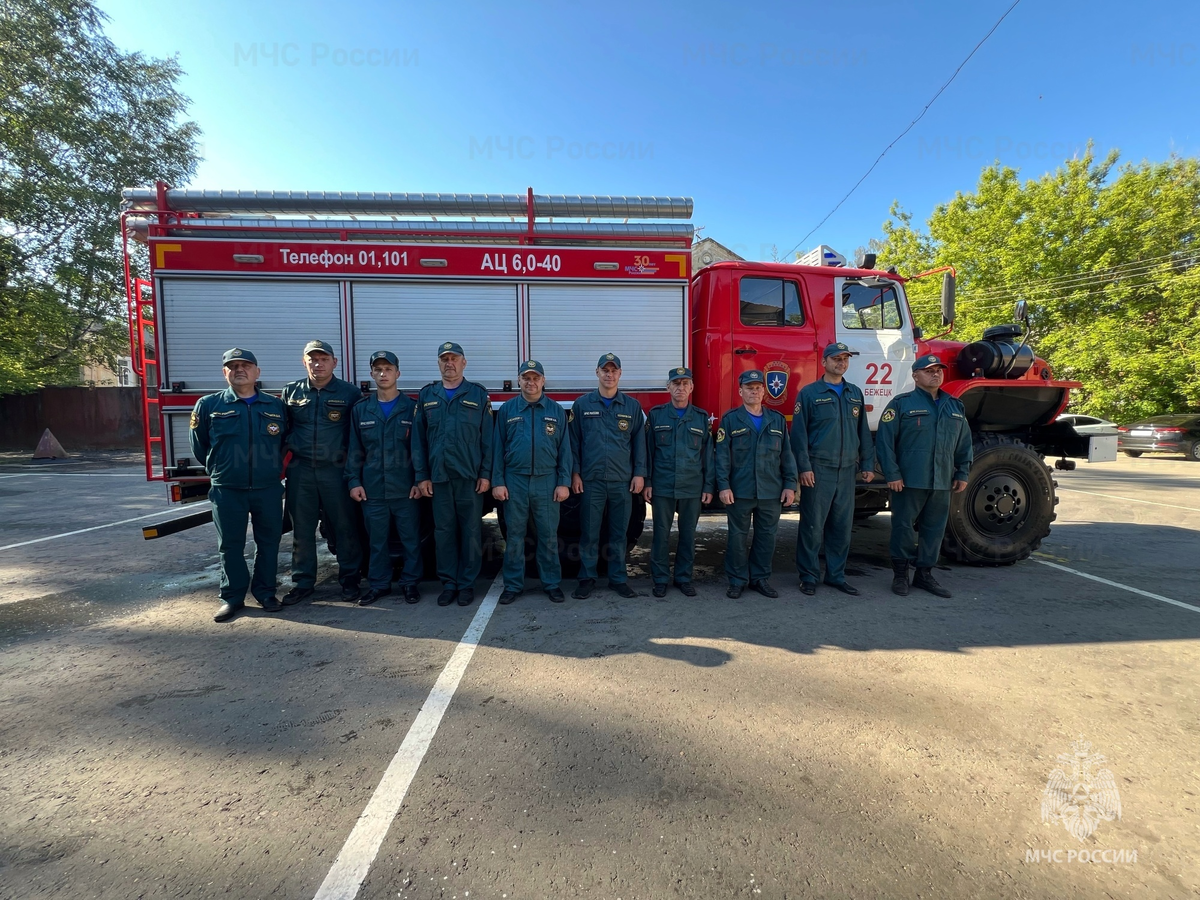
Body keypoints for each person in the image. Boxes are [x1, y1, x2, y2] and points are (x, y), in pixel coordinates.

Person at [189, 348, 289, 622]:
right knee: (230, 545)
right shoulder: (209, 405)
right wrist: (223, 468)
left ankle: (266, 592)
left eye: (245, 365)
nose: (239, 370)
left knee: (269, 542)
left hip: (267, 488)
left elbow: (283, 443)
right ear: (225, 373)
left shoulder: (275, 406)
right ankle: (232, 598)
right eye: (232, 366)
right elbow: (200, 446)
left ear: (257, 372)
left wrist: (268, 468)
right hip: (227, 489)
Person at [875, 354, 973, 598]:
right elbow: (885, 443)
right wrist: (892, 474)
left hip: (942, 481)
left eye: (938, 370)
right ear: (915, 375)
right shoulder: (901, 404)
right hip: (909, 481)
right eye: (929, 371)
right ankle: (900, 575)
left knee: (934, 529)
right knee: (903, 528)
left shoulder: (954, 405)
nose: (935, 374)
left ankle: (924, 575)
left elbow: (964, 443)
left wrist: (962, 471)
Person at [281, 339, 364, 604]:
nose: (318, 364)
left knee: (345, 527)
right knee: (301, 529)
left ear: (334, 362)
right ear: (304, 362)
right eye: (312, 359)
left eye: (323, 359)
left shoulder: (350, 394)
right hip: (301, 470)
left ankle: (350, 580)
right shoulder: (290, 392)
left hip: (336, 470)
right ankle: (303, 582)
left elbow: (356, 437)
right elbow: (281, 432)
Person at [790, 342, 876, 596]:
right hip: (819, 470)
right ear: (824, 362)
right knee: (813, 526)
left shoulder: (854, 393)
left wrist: (868, 464)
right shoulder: (809, 393)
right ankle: (808, 576)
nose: (841, 362)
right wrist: (804, 468)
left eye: (845, 358)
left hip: (847, 470)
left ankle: (836, 576)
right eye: (836, 358)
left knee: (841, 527)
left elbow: (863, 433)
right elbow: (799, 435)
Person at [412, 341, 493, 607]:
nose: (450, 363)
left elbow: (488, 440)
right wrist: (422, 476)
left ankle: (467, 584)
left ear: (464, 362)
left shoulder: (478, 394)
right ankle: (449, 583)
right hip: (439, 478)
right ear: (438, 363)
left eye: (454, 358)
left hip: (469, 477)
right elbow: (419, 441)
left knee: (470, 531)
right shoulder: (428, 396)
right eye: (444, 359)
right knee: (443, 532)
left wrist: (486, 474)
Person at [345, 351, 422, 607]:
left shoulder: (412, 408)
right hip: (373, 489)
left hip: (405, 488)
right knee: (376, 542)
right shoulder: (361, 410)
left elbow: (419, 449)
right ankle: (378, 585)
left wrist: (419, 480)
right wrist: (353, 481)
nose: (383, 374)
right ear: (371, 374)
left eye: (388, 369)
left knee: (410, 539)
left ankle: (410, 583)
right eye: (377, 369)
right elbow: (354, 449)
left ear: (397, 373)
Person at [492, 360, 572, 605]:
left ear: (543, 381)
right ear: (519, 381)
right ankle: (513, 585)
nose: (531, 382)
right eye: (526, 378)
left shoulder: (556, 411)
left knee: (548, 535)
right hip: (514, 480)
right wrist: (498, 481)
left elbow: (565, 450)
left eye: (535, 378)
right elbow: (497, 448)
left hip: (547, 481)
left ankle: (551, 583)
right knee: (515, 536)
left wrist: (564, 482)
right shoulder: (508, 410)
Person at [568, 352, 647, 599]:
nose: (609, 374)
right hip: (591, 480)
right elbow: (574, 442)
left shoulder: (632, 406)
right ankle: (587, 578)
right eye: (605, 370)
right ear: (597, 373)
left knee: (618, 533)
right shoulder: (582, 405)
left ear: (620, 374)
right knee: (589, 532)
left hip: (622, 482)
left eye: (613, 370)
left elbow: (639, 445)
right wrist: (575, 473)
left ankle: (618, 579)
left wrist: (639, 474)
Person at [715, 369, 798, 599]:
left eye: (757, 387)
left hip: (771, 491)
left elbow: (787, 456)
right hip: (740, 491)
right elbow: (722, 456)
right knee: (737, 538)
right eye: (749, 387)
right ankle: (737, 580)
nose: (754, 391)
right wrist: (723, 485)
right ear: (740, 391)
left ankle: (760, 579)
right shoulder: (731, 420)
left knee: (767, 537)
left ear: (764, 390)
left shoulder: (777, 420)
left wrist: (790, 485)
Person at [643, 366, 714, 598]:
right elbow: (649, 452)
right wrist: (648, 482)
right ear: (668, 388)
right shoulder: (656, 415)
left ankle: (684, 578)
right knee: (660, 536)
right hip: (662, 486)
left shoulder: (702, 418)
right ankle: (660, 580)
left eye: (685, 384)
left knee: (687, 536)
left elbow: (708, 456)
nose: (680, 388)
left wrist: (708, 486)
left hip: (692, 487)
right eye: (676, 384)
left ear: (691, 387)